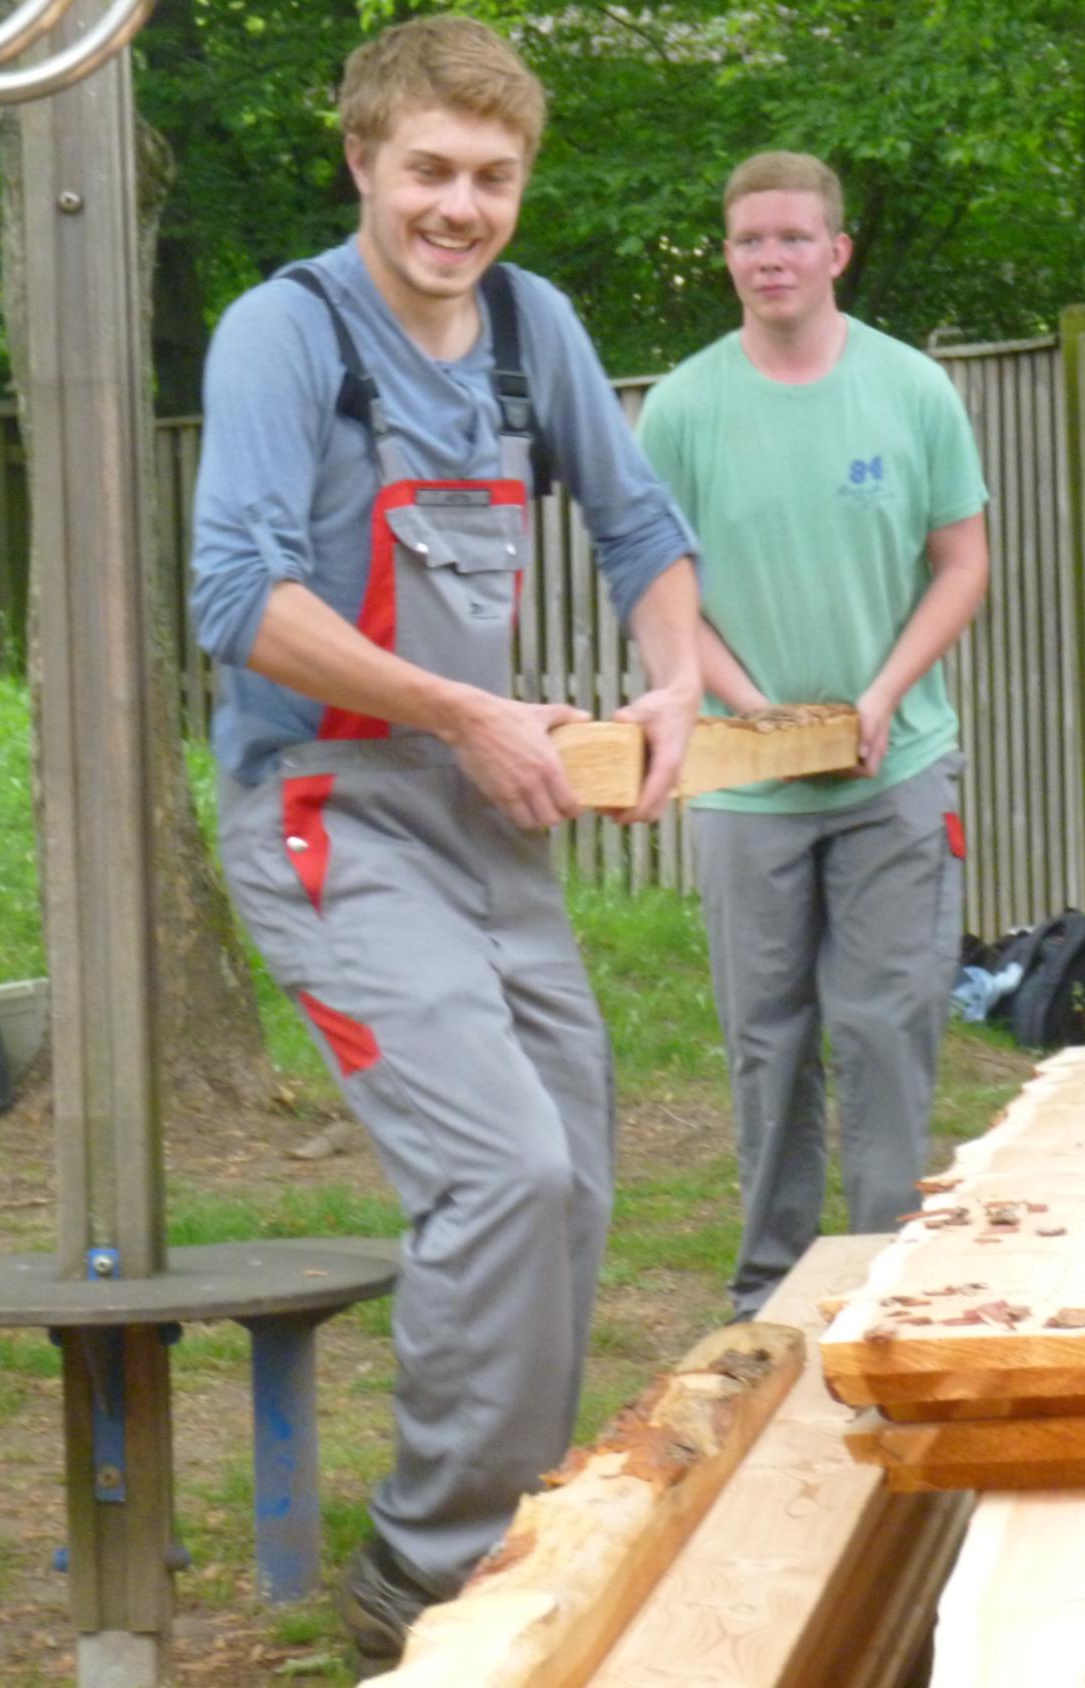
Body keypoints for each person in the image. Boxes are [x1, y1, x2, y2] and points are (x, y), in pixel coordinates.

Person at [187, 17, 701, 1666]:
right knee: (501, 1173)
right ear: (363, 160)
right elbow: (239, 603)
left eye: (491, 177)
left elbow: (637, 520)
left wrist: (677, 675)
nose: (458, 207)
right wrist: (465, 711)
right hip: (329, 808)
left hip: (490, 811)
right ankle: (423, 1575)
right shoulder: (287, 336)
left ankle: (521, 1537)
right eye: (429, 171)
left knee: (576, 1186)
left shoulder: (526, 327)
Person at [635, 151, 990, 1321]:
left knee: (886, 1028)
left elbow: (962, 561)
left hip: (896, 767)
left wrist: (882, 692)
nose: (771, 259)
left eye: (793, 238)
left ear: (836, 251)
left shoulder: (909, 389)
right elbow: (661, 581)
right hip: (746, 782)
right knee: (767, 1040)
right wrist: (742, 706)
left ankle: (884, 1280)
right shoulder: (684, 405)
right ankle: (769, 1295)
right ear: (727, 256)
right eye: (749, 241)